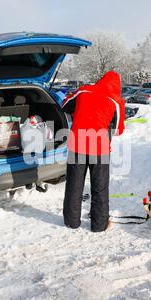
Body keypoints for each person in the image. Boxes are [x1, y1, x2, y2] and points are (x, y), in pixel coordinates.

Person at [61, 71, 125, 232]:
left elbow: (65, 105)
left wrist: (80, 113)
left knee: (74, 185)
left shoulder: (84, 90)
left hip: (77, 144)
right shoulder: (117, 101)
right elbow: (118, 130)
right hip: (100, 148)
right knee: (100, 187)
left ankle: (71, 222)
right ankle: (99, 225)